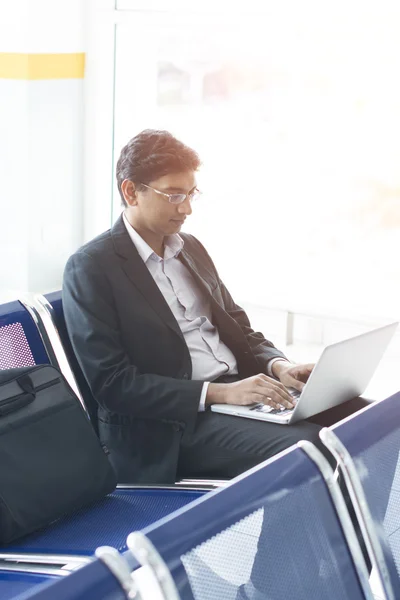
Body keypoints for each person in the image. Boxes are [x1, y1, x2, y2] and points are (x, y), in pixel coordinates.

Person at [63, 129, 368, 485]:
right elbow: (113, 385)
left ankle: (357, 536)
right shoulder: (92, 267)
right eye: (174, 195)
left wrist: (278, 365)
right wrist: (221, 393)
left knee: (369, 420)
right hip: (169, 428)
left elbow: (238, 326)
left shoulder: (189, 248)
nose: (187, 208)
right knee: (307, 448)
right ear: (131, 191)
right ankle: (299, 543)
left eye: (191, 193)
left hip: (237, 395)